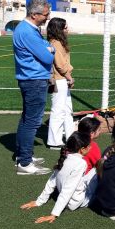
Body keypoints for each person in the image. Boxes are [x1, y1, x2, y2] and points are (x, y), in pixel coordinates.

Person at [13, 0, 55, 175]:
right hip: (34, 80)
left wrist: (48, 48)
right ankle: (25, 162)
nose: (47, 17)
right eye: (45, 14)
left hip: (30, 79)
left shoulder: (29, 29)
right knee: (32, 122)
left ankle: (23, 155)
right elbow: (48, 56)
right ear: (34, 14)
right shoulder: (27, 32)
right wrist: (50, 50)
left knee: (26, 119)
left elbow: (46, 47)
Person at [20, 132, 96, 223]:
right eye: (89, 146)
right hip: (76, 202)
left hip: (69, 199)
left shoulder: (64, 158)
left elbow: (51, 182)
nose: (90, 148)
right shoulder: (81, 163)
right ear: (82, 149)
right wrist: (54, 214)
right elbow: (68, 190)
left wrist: (39, 201)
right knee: (96, 172)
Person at [46, 17, 74, 150]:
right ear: (58, 29)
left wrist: (69, 76)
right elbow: (60, 64)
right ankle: (54, 141)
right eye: (65, 27)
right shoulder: (55, 43)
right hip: (58, 80)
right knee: (58, 110)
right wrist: (68, 76)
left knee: (67, 110)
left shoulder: (59, 42)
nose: (67, 29)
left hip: (63, 79)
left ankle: (71, 137)